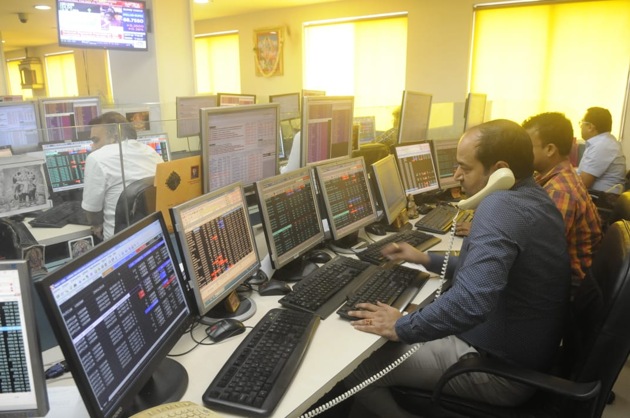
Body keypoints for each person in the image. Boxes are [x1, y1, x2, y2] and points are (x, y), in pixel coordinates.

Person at [330, 119, 570, 418]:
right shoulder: (536, 199)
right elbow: (495, 273)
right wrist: (426, 259)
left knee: (355, 368)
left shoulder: (500, 207)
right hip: (519, 355)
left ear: (499, 170)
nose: (456, 176)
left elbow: (471, 302)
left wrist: (401, 325)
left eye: (465, 168)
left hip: (497, 371)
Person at [522, 112, 602, 286]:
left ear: (550, 149)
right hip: (560, 276)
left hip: (566, 289)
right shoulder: (556, 175)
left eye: (527, 147)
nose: (522, 153)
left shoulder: (560, 192)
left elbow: (539, 253)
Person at [82, 112, 163, 241]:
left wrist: (97, 224)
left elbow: (92, 214)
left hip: (119, 244)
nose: (93, 147)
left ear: (114, 137)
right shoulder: (152, 152)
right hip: (154, 236)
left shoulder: (97, 158)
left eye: (96, 140)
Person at [577, 107, 626, 194]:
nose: (580, 126)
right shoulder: (603, 141)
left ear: (590, 127)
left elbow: (583, 183)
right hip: (596, 195)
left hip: (600, 200)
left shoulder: (602, 145)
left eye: (581, 123)